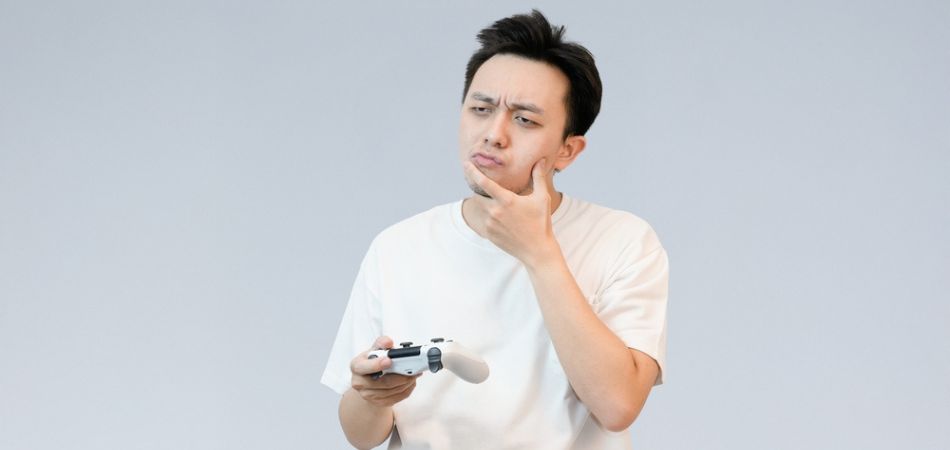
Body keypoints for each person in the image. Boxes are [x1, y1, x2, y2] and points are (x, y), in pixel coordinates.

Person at [321, 10, 669, 450]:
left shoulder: (623, 241)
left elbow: (618, 406)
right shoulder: (397, 247)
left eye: (524, 120)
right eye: (481, 110)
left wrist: (540, 254)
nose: (494, 134)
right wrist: (371, 397)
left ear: (568, 149)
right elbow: (361, 435)